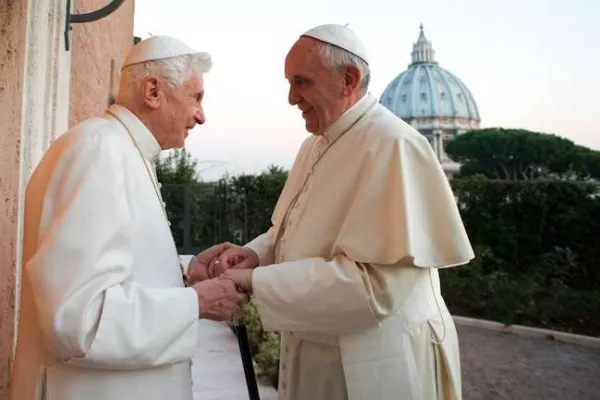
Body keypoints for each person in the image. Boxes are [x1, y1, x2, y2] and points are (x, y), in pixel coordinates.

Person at [207, 24, 475, 400]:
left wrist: (254, 282)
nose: (291, 98)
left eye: (301, 82)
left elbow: (374, 288)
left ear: (348, 79)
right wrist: (255, 254)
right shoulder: (315, 145)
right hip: (317, 352)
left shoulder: (393, 145)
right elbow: (293, 229)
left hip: (374, 362)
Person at [9, 36, 247, 400]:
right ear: (153, 91)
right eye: (196, 97)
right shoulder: (101, 151)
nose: (201, 116)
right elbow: (79, 319)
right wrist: (195, 302)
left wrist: (184, 275)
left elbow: (115, 272)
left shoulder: (121, 150)